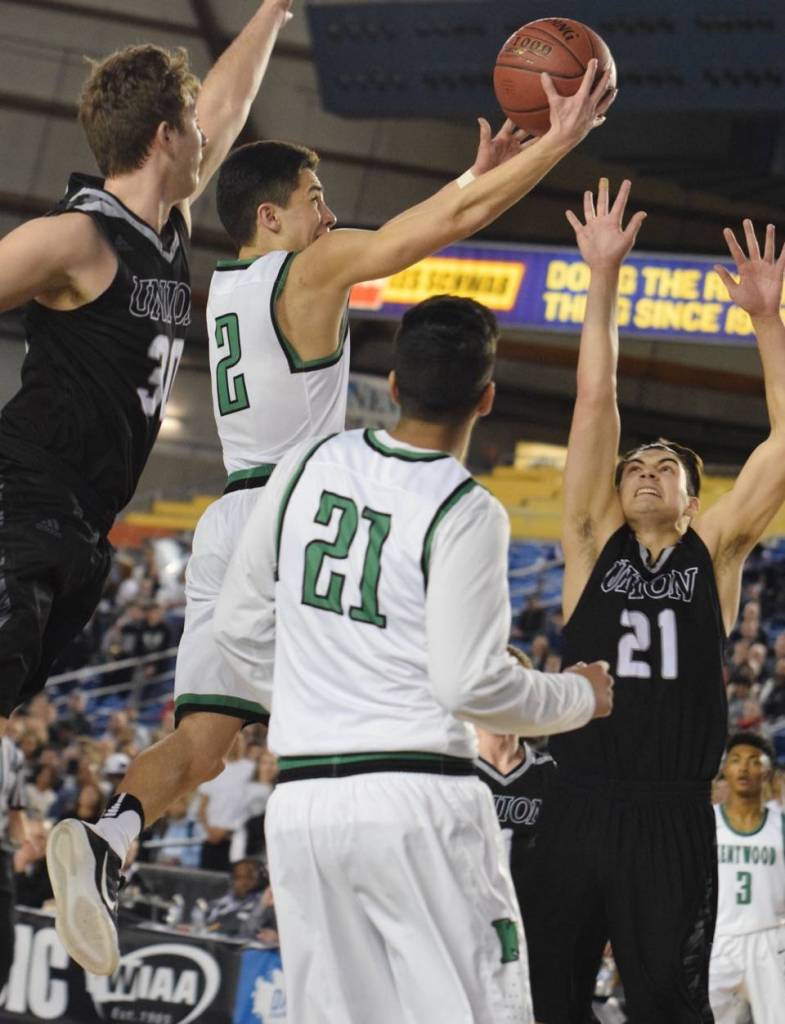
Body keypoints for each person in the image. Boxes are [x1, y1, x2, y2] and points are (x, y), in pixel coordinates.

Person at [49, 58, 617, 979]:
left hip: (230, 524)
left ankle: (108, 835)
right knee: (410, 697)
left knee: (200, 745)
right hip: (296, 516)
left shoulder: (223, 282)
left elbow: (447, 206)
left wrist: (477, 169)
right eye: (313, 198)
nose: (327, 212)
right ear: (270, 216)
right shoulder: (303, 274)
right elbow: (448, 226)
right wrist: (556, 142)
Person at [213, 295, 615, 1024]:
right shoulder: (465, 507)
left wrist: (319, 700)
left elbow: (236, 625)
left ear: (392, 385)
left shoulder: (305, 464)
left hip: (303, 799)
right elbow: (470, 684)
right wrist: (580, 696)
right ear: (486, 398)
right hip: (412, 793)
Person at [38, 0, 297, 975]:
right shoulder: (87, 234)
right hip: (51, 503)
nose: (211, 138)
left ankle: (105, 840)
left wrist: (272, 8)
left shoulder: (173, 229)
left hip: (139, 527)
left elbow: (224, 106)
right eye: (195, 128)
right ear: (164, 138)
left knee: (203, 739)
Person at [524, 181, 785, 1024]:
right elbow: (595, 399)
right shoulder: (587, 538)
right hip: (577, 795)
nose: (644, 468)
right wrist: (602, 274)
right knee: (550, 1000)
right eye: (635, 463)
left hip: (671, 810)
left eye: (665, 468)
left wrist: (767, 321)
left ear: (692, 501)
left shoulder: (716, 552)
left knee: (670, 1006)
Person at [710, 733, 785, 1024]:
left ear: (767, 772)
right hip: (718, 940)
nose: (744, 768)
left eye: (755, 762)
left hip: (771, 940)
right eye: (736, 761)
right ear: (725, 768)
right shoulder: (706, 823)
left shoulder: (780, 826)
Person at [0, 736, 29, 991]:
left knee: (4, 944)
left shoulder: (13, 754)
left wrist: (26, 845)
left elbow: (16, 813)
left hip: (1, 854)